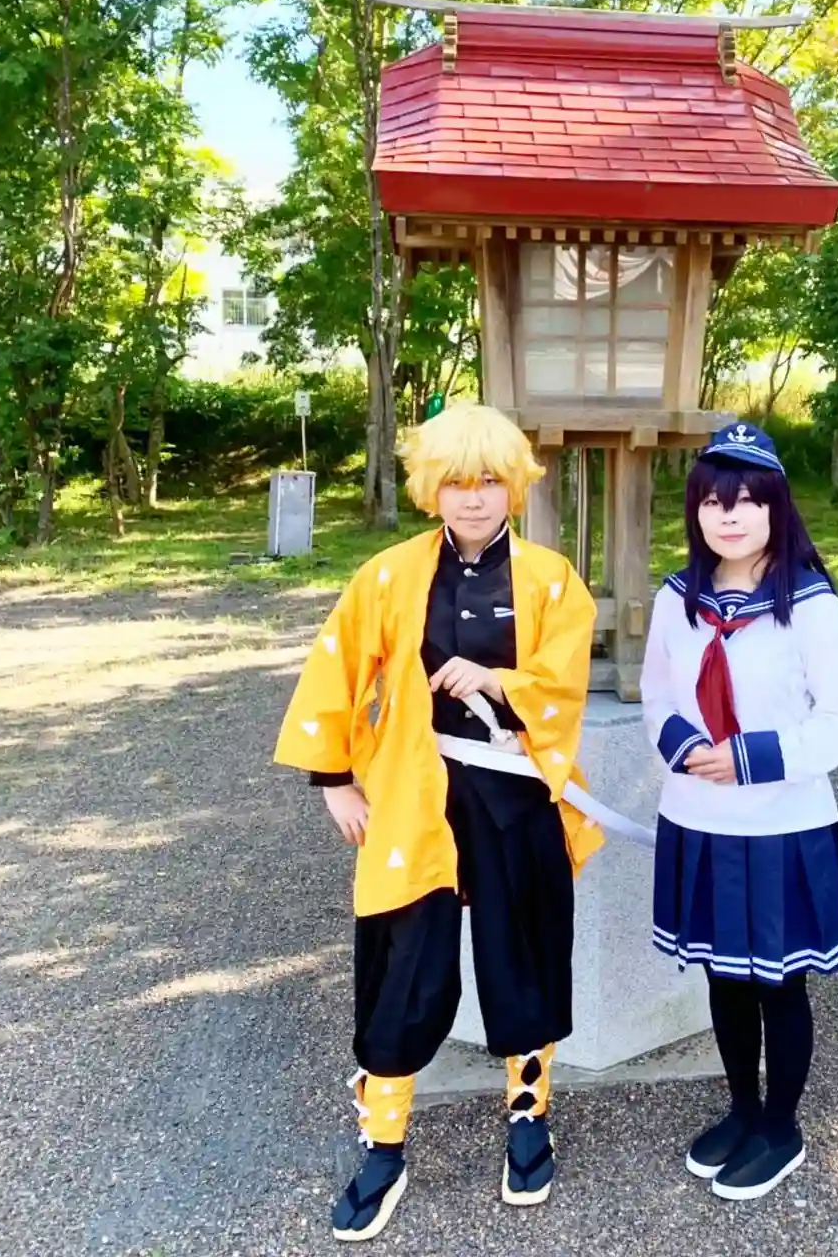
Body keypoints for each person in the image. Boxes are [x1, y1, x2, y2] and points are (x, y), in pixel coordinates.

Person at [274, 403, 603, 1242]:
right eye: (456, 481)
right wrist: (333, 779)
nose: (474, 497)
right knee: (402, 963)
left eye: (489, 479)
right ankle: (384, 1145)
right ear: (432, 488)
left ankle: (528, 1119)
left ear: (514, 485)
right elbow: (338, 665)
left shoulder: (550, 578)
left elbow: (563, 683)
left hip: (515, 797)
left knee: (525, 954)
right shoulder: (389, 575)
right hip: (414, 799)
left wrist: (498, 683)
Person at [641, 421, 838, 1202]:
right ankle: (742, 1109)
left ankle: (781, 1126)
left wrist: (746, 758)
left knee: (778, 983)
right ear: (695, 511)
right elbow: (657, 694)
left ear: (775, 507)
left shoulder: (808, 603)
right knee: (724, 978)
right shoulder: (678, 598)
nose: (728, 516)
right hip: (697, 815)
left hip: (780, 822)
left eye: (745, 501)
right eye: (712, 501)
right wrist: (684, 747)